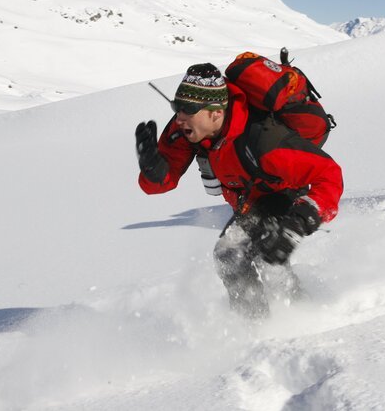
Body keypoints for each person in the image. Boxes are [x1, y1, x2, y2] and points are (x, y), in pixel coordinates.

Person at [135, 63, 343, 318]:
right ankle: (254, 327)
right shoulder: (189, 128)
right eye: (176, 108)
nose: (179, 118)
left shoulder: (265, 142)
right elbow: (160, 182)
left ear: (215, 113)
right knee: (229, 256)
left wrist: (300, 222)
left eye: (187, 110)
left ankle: (308, 319)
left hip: (283, 193)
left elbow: (329, 173)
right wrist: (152, 169)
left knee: (269, 259)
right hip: (252, 200)